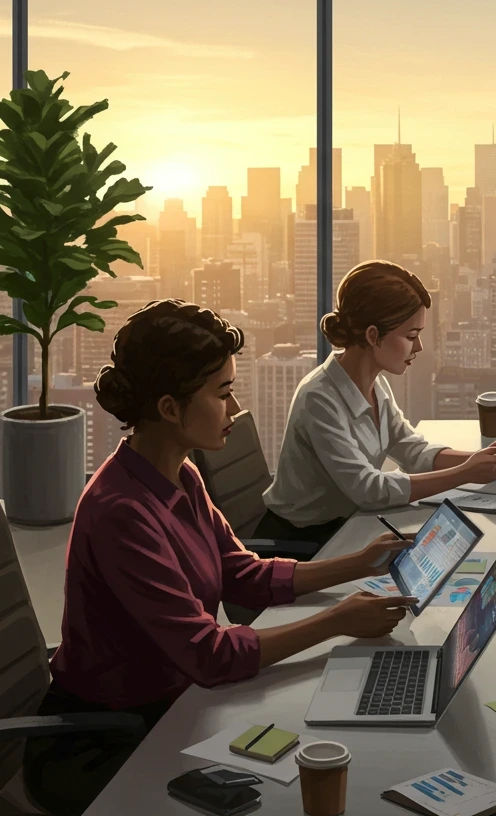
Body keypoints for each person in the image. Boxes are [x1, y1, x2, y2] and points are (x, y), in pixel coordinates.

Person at [23, 300, 420, 816]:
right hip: (109, 738)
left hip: (180, 707)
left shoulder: (181, 475)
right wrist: (337, 621)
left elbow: (242, 574)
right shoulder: (121, 512)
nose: (234, 411)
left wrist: (361, 562)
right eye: (223, 394)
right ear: (169, 408)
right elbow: (208, 656)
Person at [260, 260, 496, 548]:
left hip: (349, 526)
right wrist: (465, 473)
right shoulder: (319, 398)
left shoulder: (375, 384)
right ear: (373, 336)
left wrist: (481, 457)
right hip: (303, 543)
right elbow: (369, 489)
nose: (419, 347)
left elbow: (412, 450)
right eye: (411, 336)